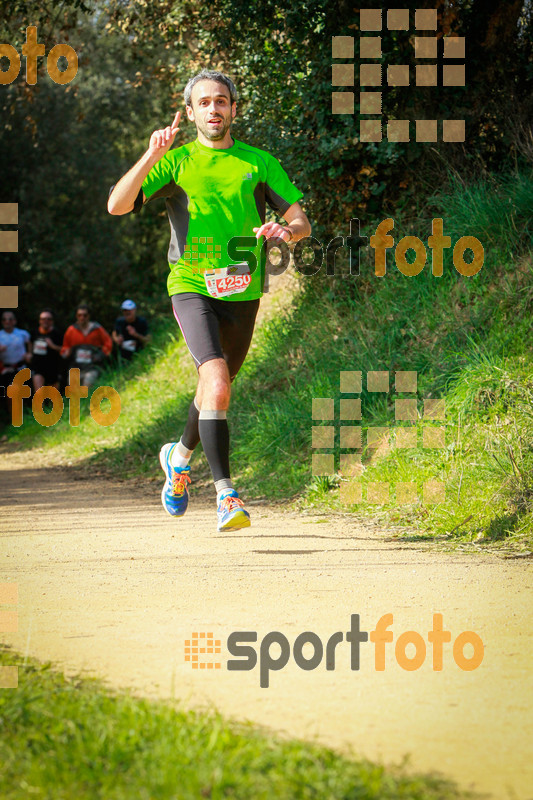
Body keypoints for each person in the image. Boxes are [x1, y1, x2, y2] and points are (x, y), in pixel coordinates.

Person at [108, 68, 311, 531]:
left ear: (234, 108)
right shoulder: (175, 163)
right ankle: (226, 496)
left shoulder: (259, 163)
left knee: (215, 389)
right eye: (204, 103)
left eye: (221, 101)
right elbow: (117, 205)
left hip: (243, 289)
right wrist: (150, 154)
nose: (214, 109)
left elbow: (302, 222)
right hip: (191, 285)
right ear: (190, 112)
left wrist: (286, 230)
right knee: (216, 379)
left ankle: (177, 460)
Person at [61, 304, 112, 387]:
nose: (82, 318)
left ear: (89, 316)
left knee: (86, 389)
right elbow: (65, 347)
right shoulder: (71, 330)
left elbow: (108, 343)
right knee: (74, 394)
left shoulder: (97, 329)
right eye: (79, 315)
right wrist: (66, 353)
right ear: (76, 316)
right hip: (75, 367)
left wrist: (100, 355)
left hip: (92, 367)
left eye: (85, 315)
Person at [31, 309, 63, 391]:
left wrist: (53, 346)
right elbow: (30, 346)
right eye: (43, 319)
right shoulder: (34, 332)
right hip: (38, 367)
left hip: (53, 367)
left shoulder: (57, 334)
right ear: (39, 321)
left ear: (52, 321)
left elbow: (64, 351)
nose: (46, 321)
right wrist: (29, 354)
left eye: (48, 319)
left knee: (53, 398)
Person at [0, 311, 32, 386]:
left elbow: (30, 343)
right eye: (4, 319)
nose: (7, 321)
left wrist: (29, 354)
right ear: (2, 322)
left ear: (14, 321)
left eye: (10, 319)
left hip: (20, 368)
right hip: (4, 370)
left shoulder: (23, 333)